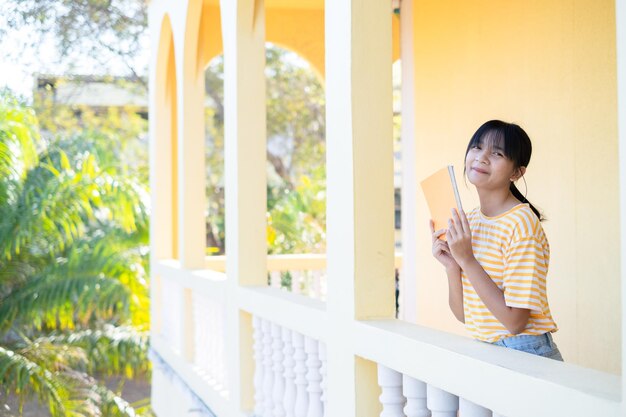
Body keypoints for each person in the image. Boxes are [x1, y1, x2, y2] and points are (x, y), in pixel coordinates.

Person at [429, 120, 563, 360]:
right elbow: (463, 315)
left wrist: (467, 259)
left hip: (523, 352)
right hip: (487, 350)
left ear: (517, 172)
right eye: (477, 147)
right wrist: (452, 266)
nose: (482, 157)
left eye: (497, 153)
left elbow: (515, 323)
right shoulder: (469, 221)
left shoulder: (521, 223)